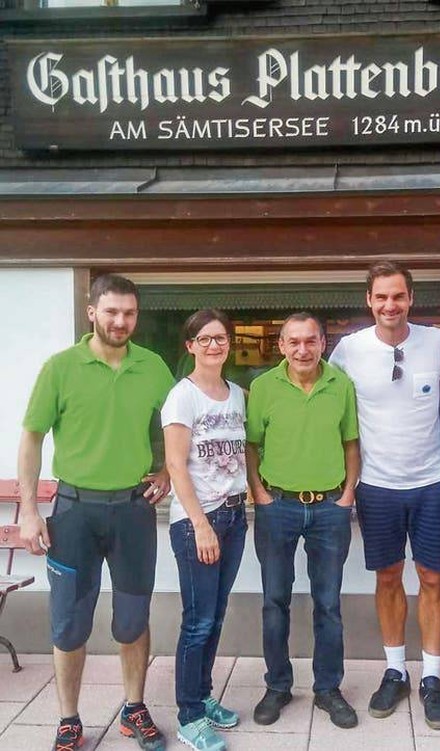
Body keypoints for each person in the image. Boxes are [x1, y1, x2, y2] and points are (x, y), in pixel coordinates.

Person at [17, 274, 174, 751]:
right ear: (92, 312)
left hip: (133, 512)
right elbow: (31, 437)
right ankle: (68, 719)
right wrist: (29, 509)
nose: (121, 321)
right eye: (111, 312)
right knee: (69, 624)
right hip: (74, 513)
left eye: (129, 313)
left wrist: (167, 468)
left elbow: (177, 424)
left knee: (132, 619)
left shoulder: (153, 368)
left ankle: (134, 708)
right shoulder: (61, 368)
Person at [329, 261, 440, 730]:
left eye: (397, 296)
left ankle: (433, 679)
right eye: (381, 297)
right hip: (376, 485)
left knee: (434, 579)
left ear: (411, 299)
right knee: (387, 578)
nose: (389, 305)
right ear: (369, 301)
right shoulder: (349, 350)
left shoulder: (439, 343)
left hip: (432, 482)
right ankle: (396, 670)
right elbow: (320, 397)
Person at [246, 312, 360, 729]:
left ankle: (328, 688)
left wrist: (347, 495)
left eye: (310, 341)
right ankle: (277, 685)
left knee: (328, 603)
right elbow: (251, 446)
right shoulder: (262, 387)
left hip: (329, 507)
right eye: (293, 342)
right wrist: (259, 494)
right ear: (281, 346)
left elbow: (351, 442)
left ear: (323, 343)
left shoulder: (340, 385)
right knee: (275, 600)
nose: (302, 349)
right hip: (278, 507)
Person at [161, 310, 247, 751]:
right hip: (200, 521)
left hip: (234, 517)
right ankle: (189, 716)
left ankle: (203, 695)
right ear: (190, 345)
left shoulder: (236, 395)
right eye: (205, 339)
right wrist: (200, 525)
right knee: (197, 622)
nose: (215, 345)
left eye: (221, 338)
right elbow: (175, 464)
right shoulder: (183, 397)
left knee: (214, 618)